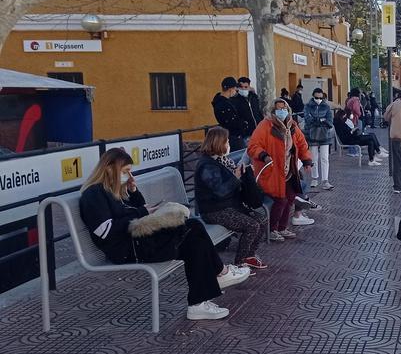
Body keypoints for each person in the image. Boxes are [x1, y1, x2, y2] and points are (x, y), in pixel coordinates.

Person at [79, 148, 250, 321]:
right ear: (109, 168)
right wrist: (140, 212)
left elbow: (139, 210)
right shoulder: (93, 194)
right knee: (193, 230)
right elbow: (106, 231)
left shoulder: (114, 190)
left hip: (138, 242)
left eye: (130, 171)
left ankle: (200, 302)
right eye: (125, 172)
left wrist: (133, 191)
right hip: (128, 250)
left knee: (194, 237)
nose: (128, 176)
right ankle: (218, 275)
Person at [195, 127, 268, 269]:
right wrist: (236, 177)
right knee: (252, 225)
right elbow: (220, 191)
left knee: (262, 220)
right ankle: (240, 262)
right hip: (213, 210)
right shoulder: (207, 165)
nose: (229, 144)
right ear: (218, 142)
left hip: (229, 206)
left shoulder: (222, 160)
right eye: (226, 141)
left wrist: (245, 175)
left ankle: (249, 255)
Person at [249, 99, 315, 242]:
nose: (282, 111)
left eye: (284, 108)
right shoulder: (265, 126)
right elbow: (253, 146)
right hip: (271, 171)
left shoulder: (292, 126)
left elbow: (302, 144)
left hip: (288, 170)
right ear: (272, 111)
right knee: (281, 199)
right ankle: (272, 229)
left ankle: (282, 228)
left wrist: (306, 160)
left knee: (290, 197)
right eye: (279, 109)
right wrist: (263, 155)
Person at [303, 88, 335, 190]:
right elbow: (308, 119)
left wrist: (319, 121)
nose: (318, 99)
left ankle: (325, 180)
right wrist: (322, 120)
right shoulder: (308, 106)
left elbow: (330, 120)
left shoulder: (326, 106)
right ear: (313, 96)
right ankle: (314, 178)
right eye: (316, 97)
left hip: (324, 135)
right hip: (312, 135)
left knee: (325, 158)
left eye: (320, 98)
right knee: (314, 158)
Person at [212, 77, 249, 151]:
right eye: (235, 89)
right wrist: (243, 124)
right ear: (230, 89)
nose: (236, 91)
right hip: (232, 138)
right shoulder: (222, 104)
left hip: (234, 136)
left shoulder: (227, 101)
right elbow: (231, 122)